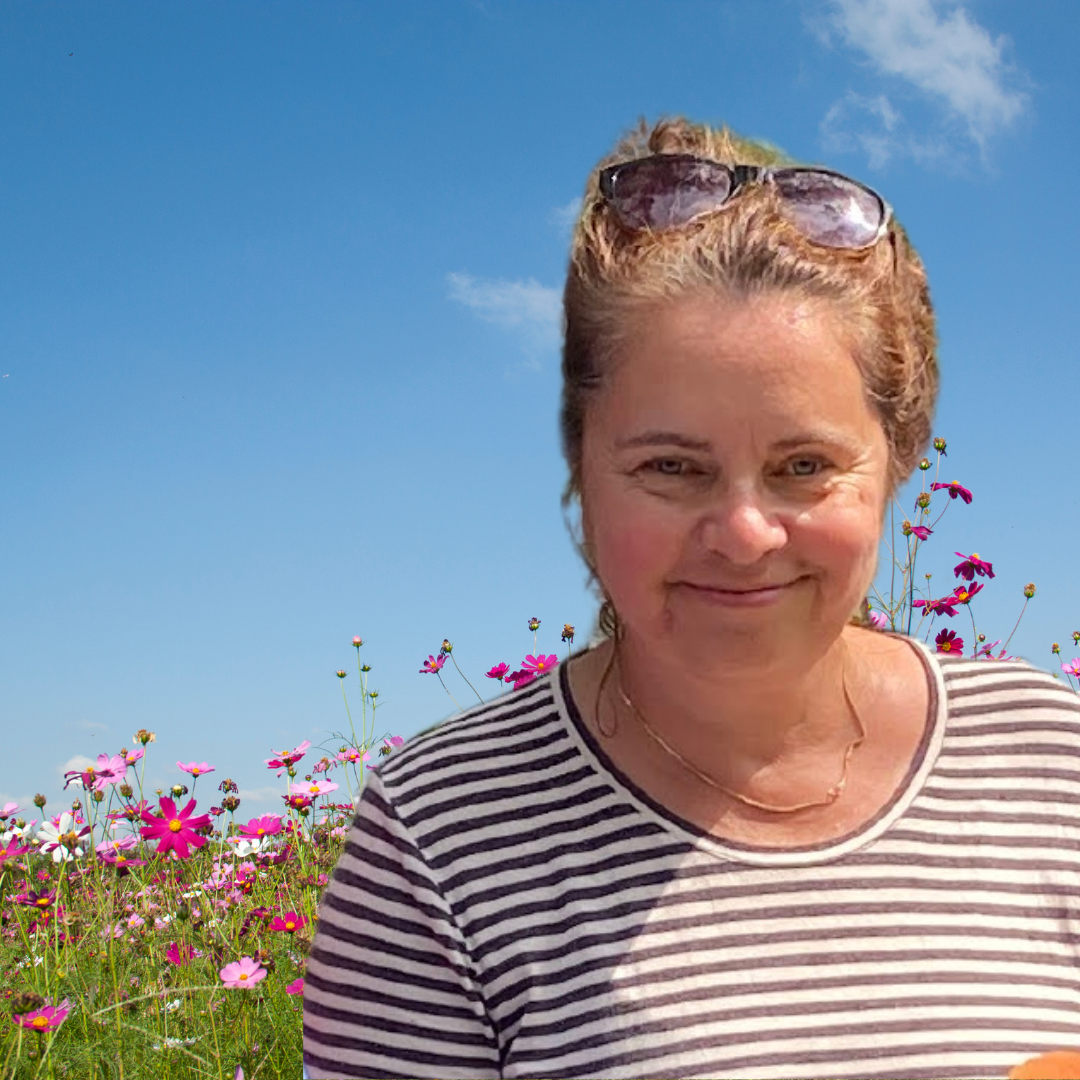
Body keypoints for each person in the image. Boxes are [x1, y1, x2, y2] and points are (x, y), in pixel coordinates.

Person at [301, 118, 1080, 1080]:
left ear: (895, 466)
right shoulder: (437, 841)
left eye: (804, 466)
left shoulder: (1054, 760)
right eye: (671, 466)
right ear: (581, 467)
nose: (744, 533)